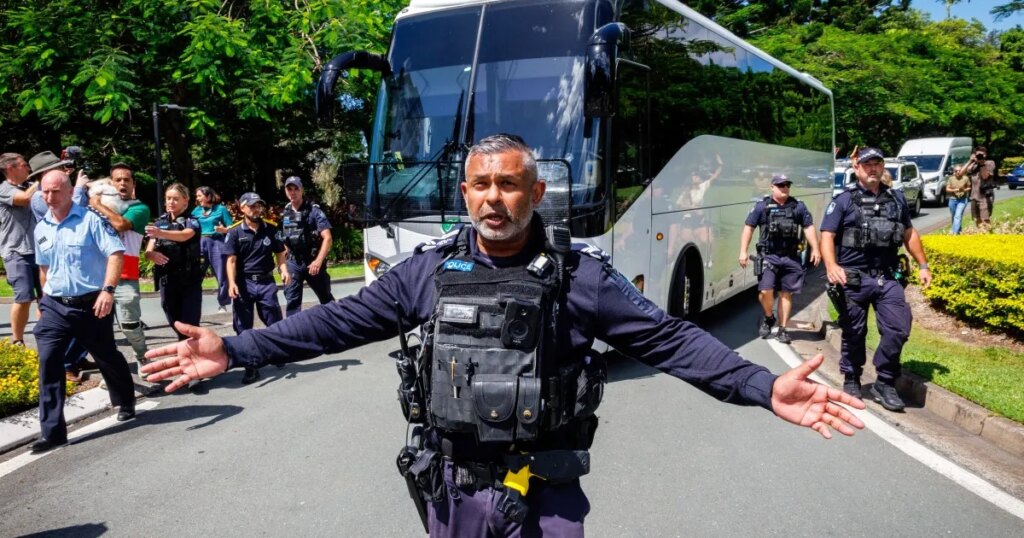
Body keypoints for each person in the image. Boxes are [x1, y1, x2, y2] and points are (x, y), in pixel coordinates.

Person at [144, 134, 865, 537]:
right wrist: (234, 349)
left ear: (535, 192)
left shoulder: (580, 277)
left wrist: (762, 386)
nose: (494, 198)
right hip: (452, 491)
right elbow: (336, 322)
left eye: (509, 184)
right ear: (465, 193)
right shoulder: (427, 272)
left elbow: (669, 340)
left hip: (546, 495)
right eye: (481, 185)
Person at [30, 170, 135, 453]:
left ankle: (125, 399)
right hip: (54, 305)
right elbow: (44, 268)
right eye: (45, 192)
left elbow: (115, 253)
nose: (49, 197)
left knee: (106, 355)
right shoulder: (41, 228)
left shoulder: (91, 220)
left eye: (55, 191)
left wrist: (108, 291)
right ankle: (52, 433)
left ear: (69, 191)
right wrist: (43, 301)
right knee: (49, 362)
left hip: (91, 304)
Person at [820, 147, 932, 413]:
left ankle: (884, 381)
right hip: (853, 278)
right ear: (857, 168)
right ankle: (852, 377)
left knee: (898, 329)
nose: (873, 169)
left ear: (883, 167)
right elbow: (827, 235)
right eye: (867, 164)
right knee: (854, 331)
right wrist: (831, 265)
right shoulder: (844, 200)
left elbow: (909, 233)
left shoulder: (896, 199)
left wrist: (923, 265)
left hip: (887, 277)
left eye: (878, 164)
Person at [26, 153, 93, 382]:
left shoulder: (57, 191)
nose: (65, 171)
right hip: (56, 261)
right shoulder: (39, 197)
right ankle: (67, 363)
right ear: (45, 173)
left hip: (75, 258)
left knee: (85, 313)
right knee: (68, 313)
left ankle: (77, 357)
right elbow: (70, 211)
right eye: (60, 168)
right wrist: (79, 189)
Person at [738, 174, 821, 344]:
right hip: (769, 256)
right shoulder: (762, 206)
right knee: (765, 291)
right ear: (772, 187)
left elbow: (808, 227)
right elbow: (749, 227)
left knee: (785, 293)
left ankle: (782, 329)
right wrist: (743, 251)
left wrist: (815, 248)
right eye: (781, 185)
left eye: (787, 185)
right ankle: (769, 317)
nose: (785, 188)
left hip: (790, 257)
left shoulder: (797, 206)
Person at [87, 162, 150, 374]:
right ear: (110, 183)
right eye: (117, 180)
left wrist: (97, 204)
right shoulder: (96, 206)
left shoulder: (139, 208)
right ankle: (110, 370)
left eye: (127, 180)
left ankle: (143, 356)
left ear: (133, 184)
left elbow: (120, 224)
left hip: (125, 276)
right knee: (100, 328)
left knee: (129, 324)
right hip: (98, 276)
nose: (122, 183)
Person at [223, 192, 289, 384]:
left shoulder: (271, 229)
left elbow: (280, 253)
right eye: (252, 206)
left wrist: (284, 270)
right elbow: (231, 260)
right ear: (242, 208)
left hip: (266, 282)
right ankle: (251, 366)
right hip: (244, 284)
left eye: (258, 206)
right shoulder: (234, 232)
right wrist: (231, 283)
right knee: (243, 327)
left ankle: (277, 353)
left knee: (274, 320)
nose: (256, 209)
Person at [0, 152, 49, 346]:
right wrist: (42, 176)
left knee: (47, 296)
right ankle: (18, 341)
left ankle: (46, 337)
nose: (28, 168)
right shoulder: (4, 189)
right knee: (24, 297)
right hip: (16, 252)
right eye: (24, 165)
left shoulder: (30, 186)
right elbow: (24, 198)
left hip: (40, 251)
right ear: (10, 168)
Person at [145, 183, 204, 338]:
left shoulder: (191, 221)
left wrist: (160, 233)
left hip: (189, 279)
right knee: (174, 320)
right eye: (168, 198)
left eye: (176, 199)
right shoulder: (160, 222)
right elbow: (148, 250)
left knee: (190, 325)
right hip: (167, 279)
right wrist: (151, 255)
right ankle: (183, 345)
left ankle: (191, 349)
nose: (171, 202)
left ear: (185, 200)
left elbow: (185, 235)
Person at [280, 176, 335, 316]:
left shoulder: (314, 211)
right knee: (292, 301)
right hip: (293, 262)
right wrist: (284, 263)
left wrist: (318, 261)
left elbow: (327, 238)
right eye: (289, 189)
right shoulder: (284, 213)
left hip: (312, 262)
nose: (293, 192)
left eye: (296, 189)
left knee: (326, 299)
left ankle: (337, 324)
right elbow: (284, 239)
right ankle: (294, 329)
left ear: (302, 190)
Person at [192, 186, 233, 313]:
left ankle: (223, 303)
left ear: (209, 196)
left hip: (217, 243)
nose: (197, 198)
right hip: (200, 243)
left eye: (200, 196)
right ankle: (192, 303)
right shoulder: (196, 211)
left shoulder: (221, 209)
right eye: (197, 196)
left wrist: (223, 230)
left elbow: (232, 228)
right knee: (195, 275)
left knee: (222, 275)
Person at [954, 146, 996, 231]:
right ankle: (980, 235)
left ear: (985, 155)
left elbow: (985, 177)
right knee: (977, 219)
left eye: (982, 154)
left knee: (985, 220)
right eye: (978, 155)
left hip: (985, 197)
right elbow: (960, 174)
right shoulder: (973, 165)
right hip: (974, 197)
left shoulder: (990, 163)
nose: (980, 156)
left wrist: (982, 164)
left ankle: (989, 236)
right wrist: (970, 161)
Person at [945, 168, 970, 235]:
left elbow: (969, 187)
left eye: (959, 170)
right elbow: (947, 189)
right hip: (952, 199)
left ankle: (954, 233)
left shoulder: (965, 178)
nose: (958, 172)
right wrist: (955, 190)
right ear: (954, 172)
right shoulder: (951, 179)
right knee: (954, 216)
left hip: (962, 200)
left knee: (958, 215)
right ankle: (958, 230)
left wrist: (964, 190)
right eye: (956, 171)